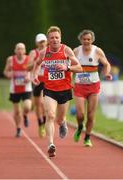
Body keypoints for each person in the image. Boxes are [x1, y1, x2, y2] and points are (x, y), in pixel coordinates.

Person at [33, 26, 82, 157]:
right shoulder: (44, 52)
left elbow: (80, 68)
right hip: (49, 89)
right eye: (52, 38)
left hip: (65, 90)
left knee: (59, 119)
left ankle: (63, 122)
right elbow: (37, 64)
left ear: (60, 38)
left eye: (57, 37)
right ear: (48, 40)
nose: (54, 40)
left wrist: (67, 67)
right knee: (50, 115)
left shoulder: (66, 50)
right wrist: (34, 75)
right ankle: (50, 144)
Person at [73, 29, 112, 147]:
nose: (86, 41)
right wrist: (69, 80)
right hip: (79, 86)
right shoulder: (76, 51)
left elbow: (106, 64)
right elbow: (70, 66)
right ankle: (80, 126)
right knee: (80, 114)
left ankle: (87, 137)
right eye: (84, 39)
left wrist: (106, 73)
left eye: (89, 39)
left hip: (94, 87)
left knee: (90, 115)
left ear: (92, 40)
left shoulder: (97, 51)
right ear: (81, 40)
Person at [3, 43, 32, 137]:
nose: (20, 51)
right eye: (18, 49)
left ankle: (25, 115)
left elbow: (34, 71)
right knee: (16, 111)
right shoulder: (10, 60)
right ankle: (18, 128)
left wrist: (29, 76)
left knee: (27, 106)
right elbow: (5, 71)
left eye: (22, 49)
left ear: (24, 51)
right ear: (15, 50)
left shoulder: (28, 59)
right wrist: (9, 74)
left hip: (26, 87)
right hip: (14, 89)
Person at [28, 33, 47, 137]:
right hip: (36, 80)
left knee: (43, 103)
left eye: (43, 41)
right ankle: (40, 124)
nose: (42, 44)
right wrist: (36, 61)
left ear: (46, 42)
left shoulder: (50, 51)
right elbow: (27, 67)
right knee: (37, 104)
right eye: (40, 42)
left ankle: (44, 123)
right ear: (37, 43)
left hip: (47, 80)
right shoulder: (33, 53)